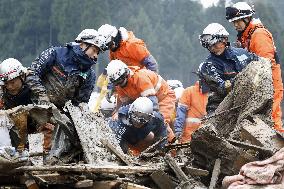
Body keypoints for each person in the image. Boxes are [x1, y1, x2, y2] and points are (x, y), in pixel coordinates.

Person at [30, 29, 102, 163]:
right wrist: (42, 96)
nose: (96, 56)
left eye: (98, 52)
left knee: (67, 127)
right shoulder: (55, 53)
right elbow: (32, 73)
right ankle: (33, 160)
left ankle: (54, 160)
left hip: (59, 113)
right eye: (94, 50)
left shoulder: (90, 75)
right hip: (36, 104)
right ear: (82, 44)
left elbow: (80, 102)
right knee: (35, 128)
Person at [226, 2, 284, 131]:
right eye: (233, 22)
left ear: (247, 18)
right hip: (259, 82)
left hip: (270, 82)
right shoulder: (246, 36)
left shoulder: (258, 34)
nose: (235, 25)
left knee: (272, 116)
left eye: (238, 21)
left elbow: (265, 63)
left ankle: (279, 146)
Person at [106, 59, 176, 143]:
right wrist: (118, 113)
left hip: (164, 97)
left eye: (120, 80)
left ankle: (171, 147)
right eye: (117, 83)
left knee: (160, 122)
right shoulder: (120, 86)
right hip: (148, 99)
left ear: (125, 74)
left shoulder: (140, 78)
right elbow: (127, 105)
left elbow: (153, 106)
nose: (120, 84)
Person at [198, 23, 259, 114]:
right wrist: (244, 78)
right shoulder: (208, 65)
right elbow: (222, 88)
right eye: (209, 46)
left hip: (249, 102)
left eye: (214, 44)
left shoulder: (242, 53)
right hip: (219, 108)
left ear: (224, 39)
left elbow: (262, 65)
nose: (212, 48)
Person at [0, 58, 54, 152]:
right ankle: (7, 153)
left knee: (47, 125)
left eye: (12, 82)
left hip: (35, 122)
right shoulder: (2, 90)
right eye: (6, 83)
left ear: (22, 77)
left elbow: (46, 104)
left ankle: (40, 154)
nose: (9, 86)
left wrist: (32, 110)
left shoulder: (33, 82)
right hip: (13, 126)